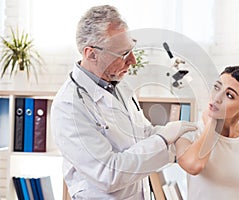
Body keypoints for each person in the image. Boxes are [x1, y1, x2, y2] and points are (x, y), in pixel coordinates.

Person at [50, 5, 197, 200]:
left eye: (131, 49)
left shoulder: (119, 86)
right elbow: (108, 174)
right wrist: (163, 140)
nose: (133, 60)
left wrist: (179, 134)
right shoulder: (69, 106)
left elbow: (142, 134)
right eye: (123, 54)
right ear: (91, 54)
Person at [175, 66, 239, 200]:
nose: (217, 98)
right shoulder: (189, 133)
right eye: (217, 88)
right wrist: (211, 122)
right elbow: (194, 165)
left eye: (229, 95)